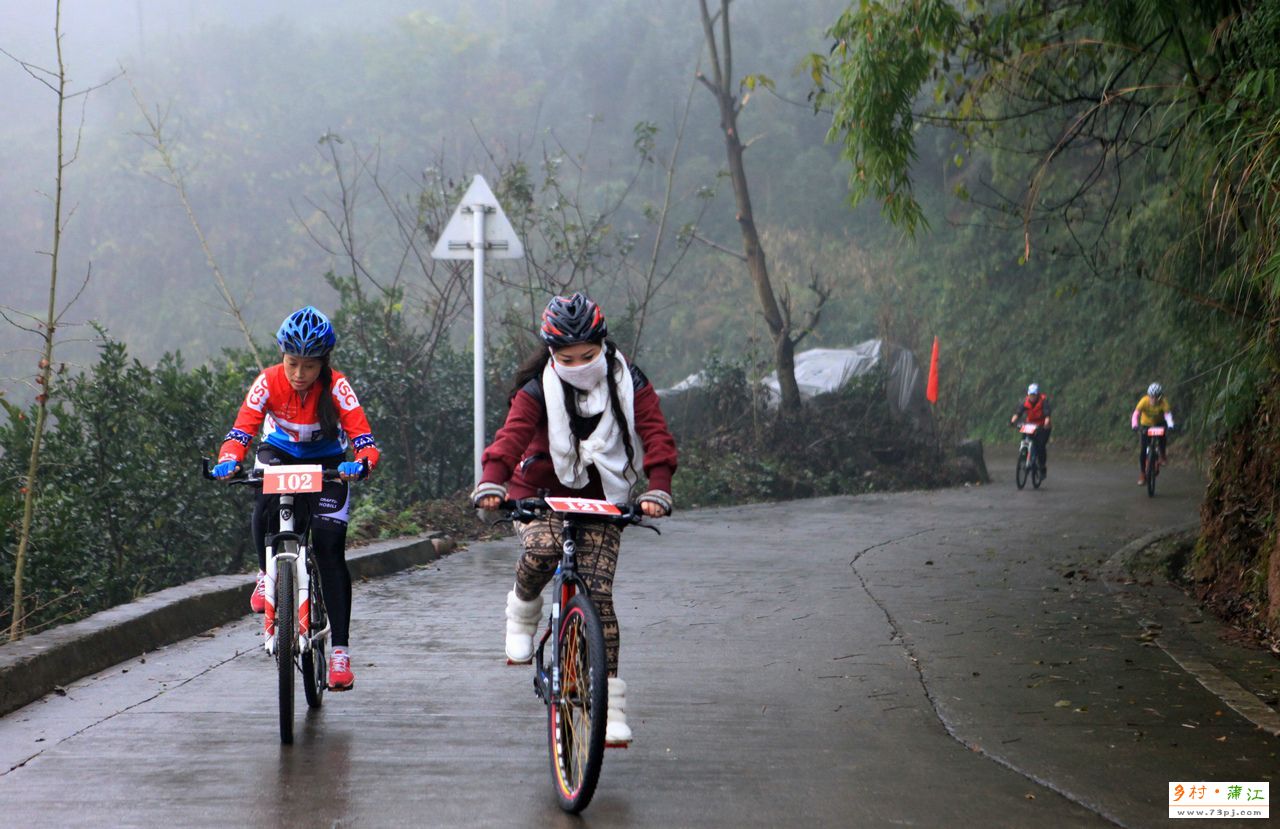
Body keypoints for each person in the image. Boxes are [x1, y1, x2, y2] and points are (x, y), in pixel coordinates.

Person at [470, 293, 677, 747]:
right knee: (542, 549)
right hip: (540, 493)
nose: (580, 365)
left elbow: (655, 432)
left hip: (605, 498)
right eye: (568, 358)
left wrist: (658, 485)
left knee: (599, 598)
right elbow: (512, 436)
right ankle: (523, 609)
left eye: (589, 355)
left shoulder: (629, 380)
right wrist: (492, 481)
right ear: (551, 353)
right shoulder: (535, 389)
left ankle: (609, 707)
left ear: (603, 345)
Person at [210, 306, 380, 691]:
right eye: (292, 364)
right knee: (264, 501)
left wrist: (361, 463)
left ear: (323, 363)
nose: (299, 375)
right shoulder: (267, 382)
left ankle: (339, 653)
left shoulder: (337, 387)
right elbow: (240, 432)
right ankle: (263, 573)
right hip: (280, 451)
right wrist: (228, 461)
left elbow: (365, 440)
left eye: (309, 366)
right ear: (281, 357)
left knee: (329, 547)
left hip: (329, 461)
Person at [1131, 382, 1174, 485]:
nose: (1153, 399)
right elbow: (1136, 414)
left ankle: (1162, 456)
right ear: (1148, 396)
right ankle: (1142, 474)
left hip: (1159, 423)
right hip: (1145, 425)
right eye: (1151, 397)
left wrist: (1171, 425)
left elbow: (1168, 416)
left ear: (1160, 396)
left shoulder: (1164, 403)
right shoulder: (1143, 401)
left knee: (1162, 437)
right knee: (1143, 450)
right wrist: (1135, 425)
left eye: (1156, 397)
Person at [1009, 382, 1052, 477]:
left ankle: (1042, 467)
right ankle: (1024, 458)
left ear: (1037, 394)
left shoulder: (1044, 401)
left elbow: (1047, 415)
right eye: (1031, 395)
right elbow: (1018, 413)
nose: (1032, 397)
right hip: (1031, 425)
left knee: (1040, 447)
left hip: (1042, 426)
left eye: (1034, 395)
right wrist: (1012, 422)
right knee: (1024, 440)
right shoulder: (1025, 401)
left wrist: (1045, 424)